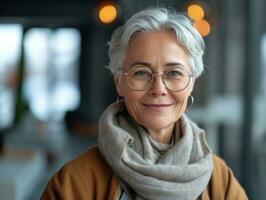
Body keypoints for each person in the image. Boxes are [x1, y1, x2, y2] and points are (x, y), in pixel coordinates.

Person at [41, 7, 248, 200]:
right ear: (119, 82)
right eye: (141, 72)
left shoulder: (220, 180)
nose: (158, 88)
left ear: (191, 83)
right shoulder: (74, 183)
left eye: (174, 73)